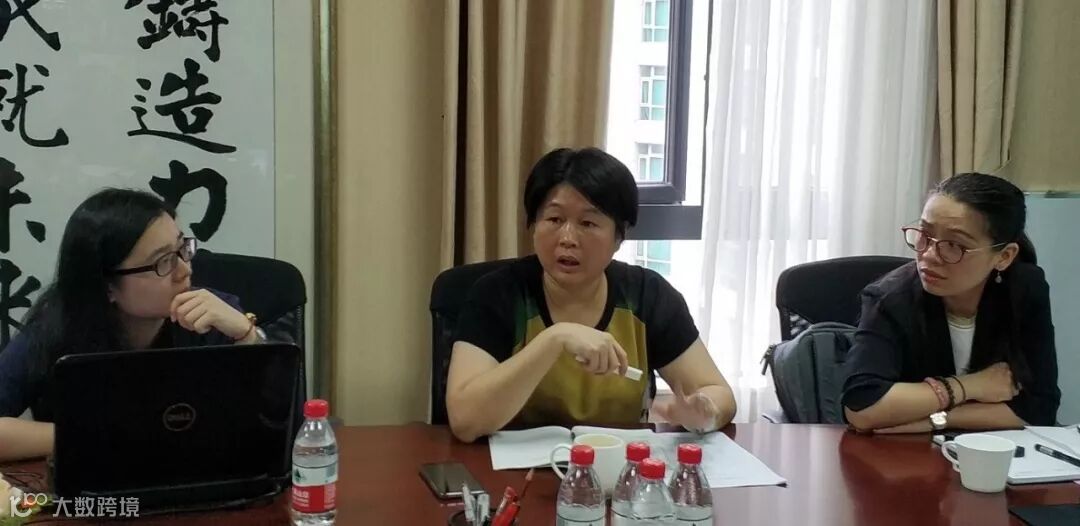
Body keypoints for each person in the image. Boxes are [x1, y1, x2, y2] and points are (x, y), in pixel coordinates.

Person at [446, 147, 737, 442]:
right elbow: (465, 420)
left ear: (619, 237)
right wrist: (554, 339)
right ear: (533, 226)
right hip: (520, 467)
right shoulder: (498, 294)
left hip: (620, 464)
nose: (567, 238)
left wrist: (704, 411)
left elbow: (718, 393)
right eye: (554, 219)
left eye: (587, 223)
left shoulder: (647, 296)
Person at [0, 189, 266, 461]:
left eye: (182, 249)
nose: (185, 270)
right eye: (163, 261)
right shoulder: (54, 330)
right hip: (97, 482)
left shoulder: (211, 316)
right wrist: (85, 436)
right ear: (107, 287)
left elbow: (276, 419)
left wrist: (246, 334)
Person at [842, 173, 1059, 433]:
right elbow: (862, 407)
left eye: (955, 245)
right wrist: (970, 386)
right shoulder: (889, 298)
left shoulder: (1024, 289)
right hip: (906, 452)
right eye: (924, 234)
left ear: (1003, 256)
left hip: (993, 449)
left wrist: (935, 420)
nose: (929, 255)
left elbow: (1040, 408)